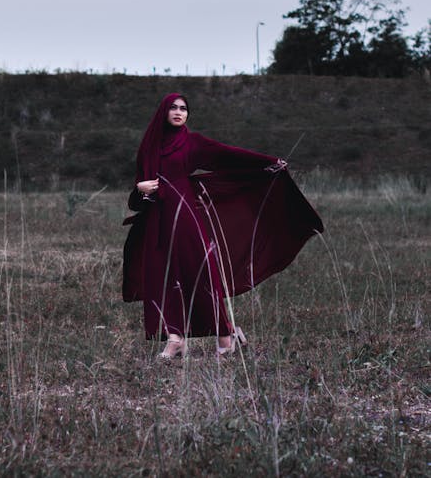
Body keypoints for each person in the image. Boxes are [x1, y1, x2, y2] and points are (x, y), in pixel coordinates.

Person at [122, 92, 323, 359]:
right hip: (156, 221)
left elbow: (229, 156)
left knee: (201, 272)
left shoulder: (192, 143)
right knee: (162, 277)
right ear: (163, 112)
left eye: (184, 108)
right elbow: (137, 200)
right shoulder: (149, 147)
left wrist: (268, 163)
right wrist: (140, 188)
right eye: (173, 108)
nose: (179, 112)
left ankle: (226, 336)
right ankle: (174, 338)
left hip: (185, 216)